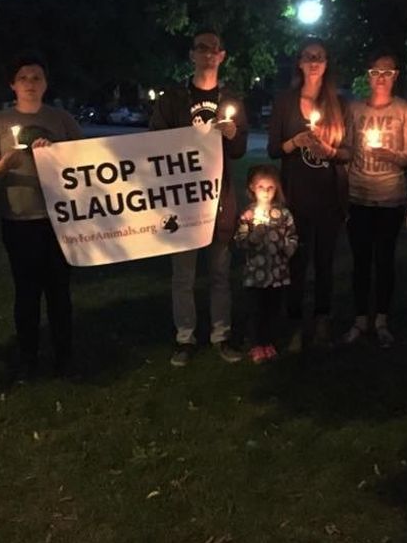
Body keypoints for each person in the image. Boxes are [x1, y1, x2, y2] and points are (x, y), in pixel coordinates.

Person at [0, 54, 83, 379]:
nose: (31, 84)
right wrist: (4, 165)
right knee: (26, 290)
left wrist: (56, 154)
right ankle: (28, 355)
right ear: (13, 84)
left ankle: (63, 354)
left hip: (59, 216)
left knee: (59, 289)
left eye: (37, 77)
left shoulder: (61, 120)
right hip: (18, 216)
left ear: (46, 84)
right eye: (24, 78)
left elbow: (82, 161)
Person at [150, 31, 249, 367]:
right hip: (181, 200)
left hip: (219, 197)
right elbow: (155, 142)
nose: (209, 54)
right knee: (183, 275)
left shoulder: (230, 98)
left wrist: (233, 137)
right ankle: (185, 338)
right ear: (192, 55)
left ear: (222, 57)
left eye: (215, 49)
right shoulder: (174, 98)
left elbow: (239, 151)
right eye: (202, 48)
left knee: (220, 271)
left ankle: (221, 335)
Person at [268, 38, 350, 352]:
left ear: (326, 64)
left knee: (325, 262)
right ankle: (294, 323)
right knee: (296, 262)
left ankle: (322, 319)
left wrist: (327, 150)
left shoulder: (338, 104)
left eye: (320, 57)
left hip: (329, 196)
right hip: (296, 196)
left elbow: (348, 153)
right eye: (308, 56)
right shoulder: (285, 102)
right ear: (300, 63)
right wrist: (296, 142)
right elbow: (275, 149)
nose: (314, 62)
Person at [341, 52, 407, 348]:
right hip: (358, 195)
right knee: (360, 261)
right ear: (368, 76)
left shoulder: (405, 110)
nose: (381, 78)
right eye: (376, 72)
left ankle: (382, 319)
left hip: (390, 197)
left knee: (385, 260)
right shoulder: (355, 109)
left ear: (395, 76)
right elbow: (348, 147)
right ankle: (360, 319)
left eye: (387, 72)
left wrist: (392, 156)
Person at [234, 164, 299, 363]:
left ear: (276, 188)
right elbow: (240, 241)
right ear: (252, 187)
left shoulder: (283, 214)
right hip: (255, 274)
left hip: (277, 274)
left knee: (272, 310)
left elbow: (293, 235)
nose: (266, 192)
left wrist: (289, 248)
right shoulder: (248, 215)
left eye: (270, 187)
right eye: (261, 187)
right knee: (256, 310)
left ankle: (268, 342)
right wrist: (253, 236)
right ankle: (256, 344)